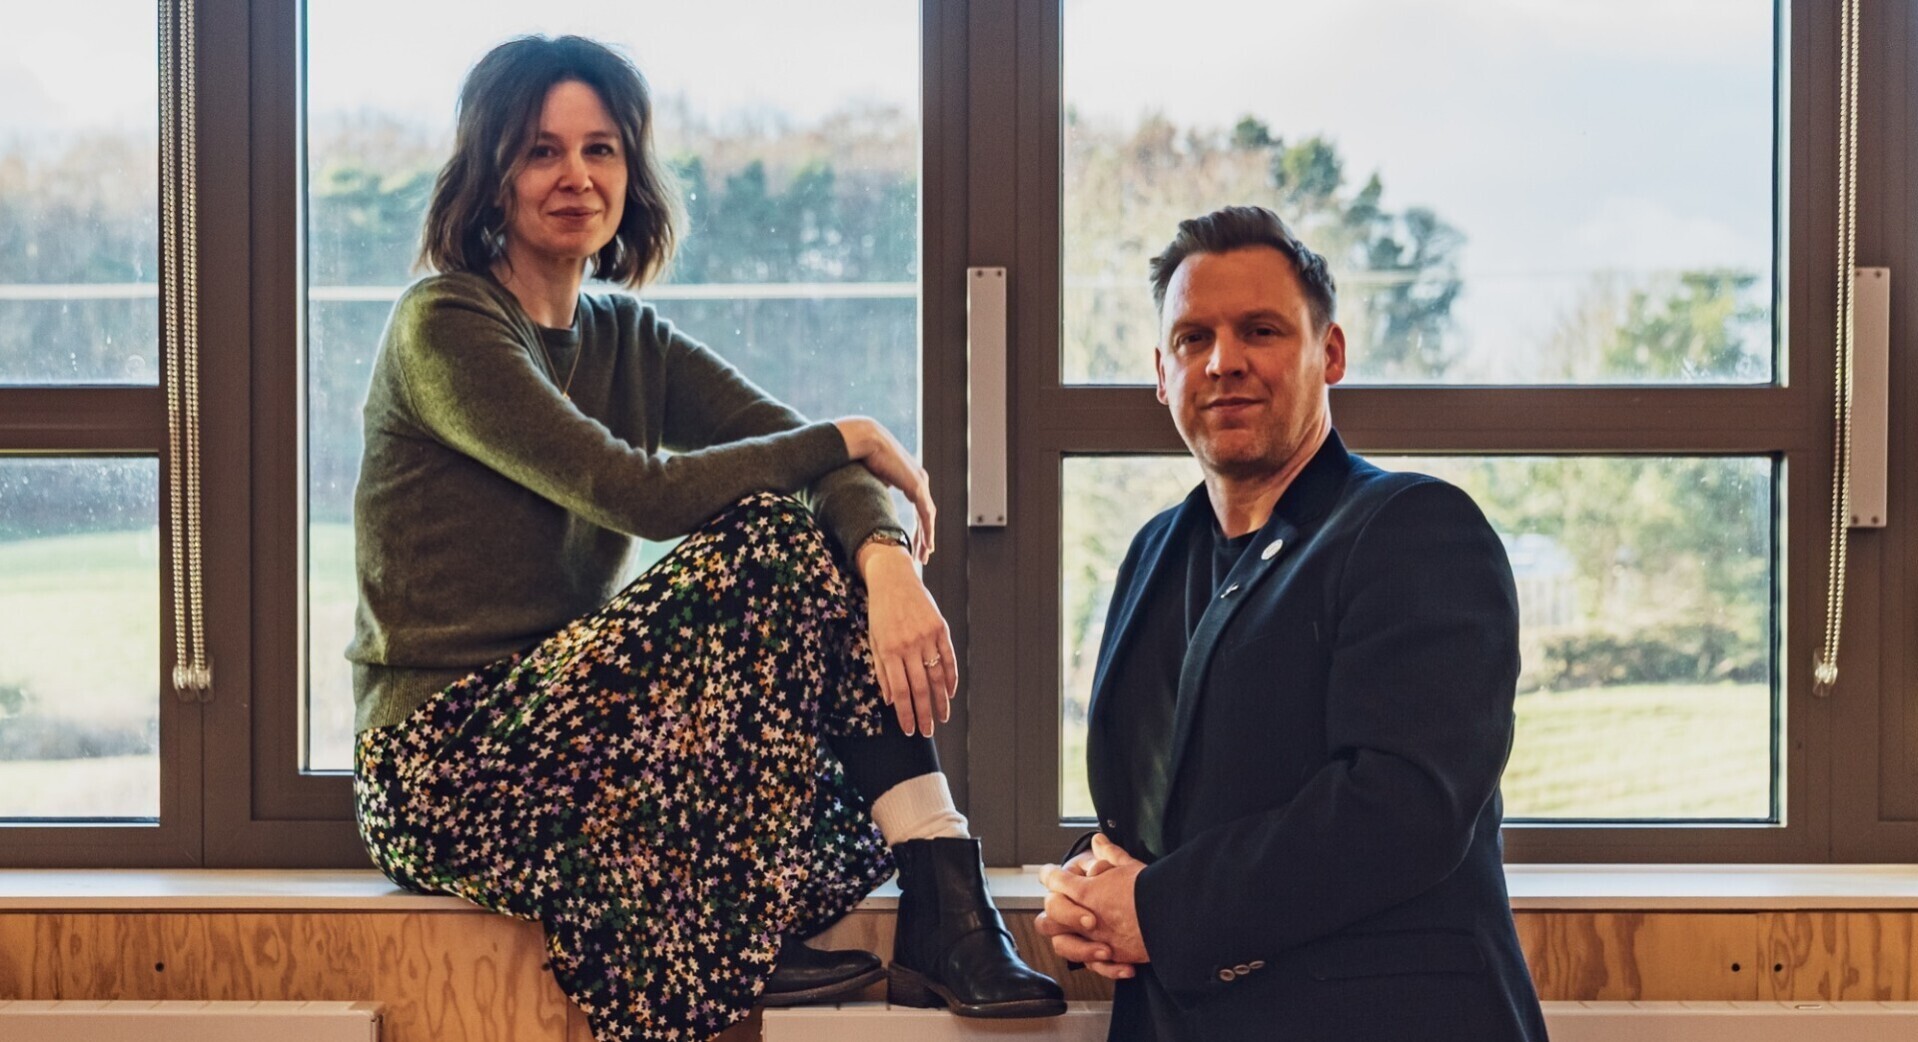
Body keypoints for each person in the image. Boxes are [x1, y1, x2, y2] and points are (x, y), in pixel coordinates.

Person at [346, 35, 1062, 1042]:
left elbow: (813, 464)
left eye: (600, 149)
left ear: (630, 172)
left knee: (835, 787)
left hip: (584, 747)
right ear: (489, 171)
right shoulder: (446, 324)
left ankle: (941, 889)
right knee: (767, 535)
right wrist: (841, 435)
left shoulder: (623, 335)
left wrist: (885, 559)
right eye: (540, 150)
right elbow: (631, 489)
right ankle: (748, 934)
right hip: (450, 765)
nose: (575, 176)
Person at [1037, 205, 1547, 1041]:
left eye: (1261, 330)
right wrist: (1089, 892)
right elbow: (1161, 809)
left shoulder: (1416, 528)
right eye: (1192, 339)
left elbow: (1403, 808)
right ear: (1161, 375)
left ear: (1331, 352)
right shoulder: (1151, 555)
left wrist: (1156, 909)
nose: (1223, 361)